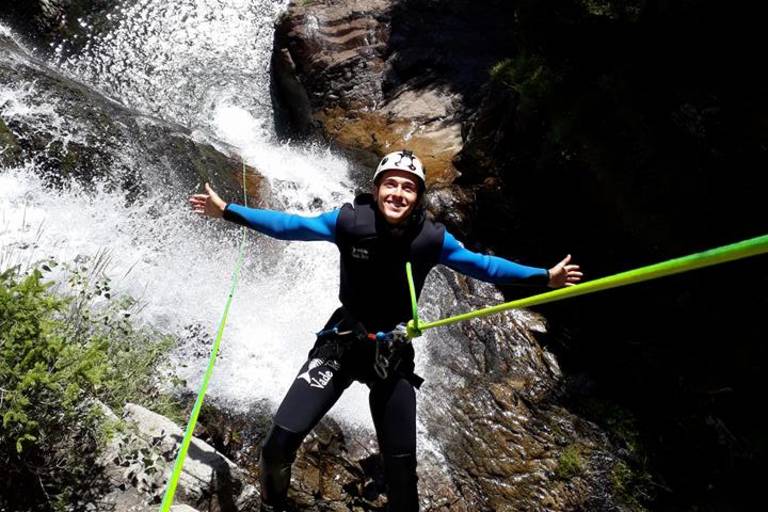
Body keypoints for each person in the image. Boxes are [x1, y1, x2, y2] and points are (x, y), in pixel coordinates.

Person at [189, 149, 582, 511]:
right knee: (277, 447)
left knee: (402, 481)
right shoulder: (349, 223)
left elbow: (485, 266)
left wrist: (543, 277)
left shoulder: (431, 240)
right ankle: (271, 506)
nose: (398, 193)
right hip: (341, 345)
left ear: (419, 197)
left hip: (390, 356)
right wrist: (227, 211)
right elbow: (291, 226)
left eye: (408, 187)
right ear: (376, 189)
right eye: (390, 184)